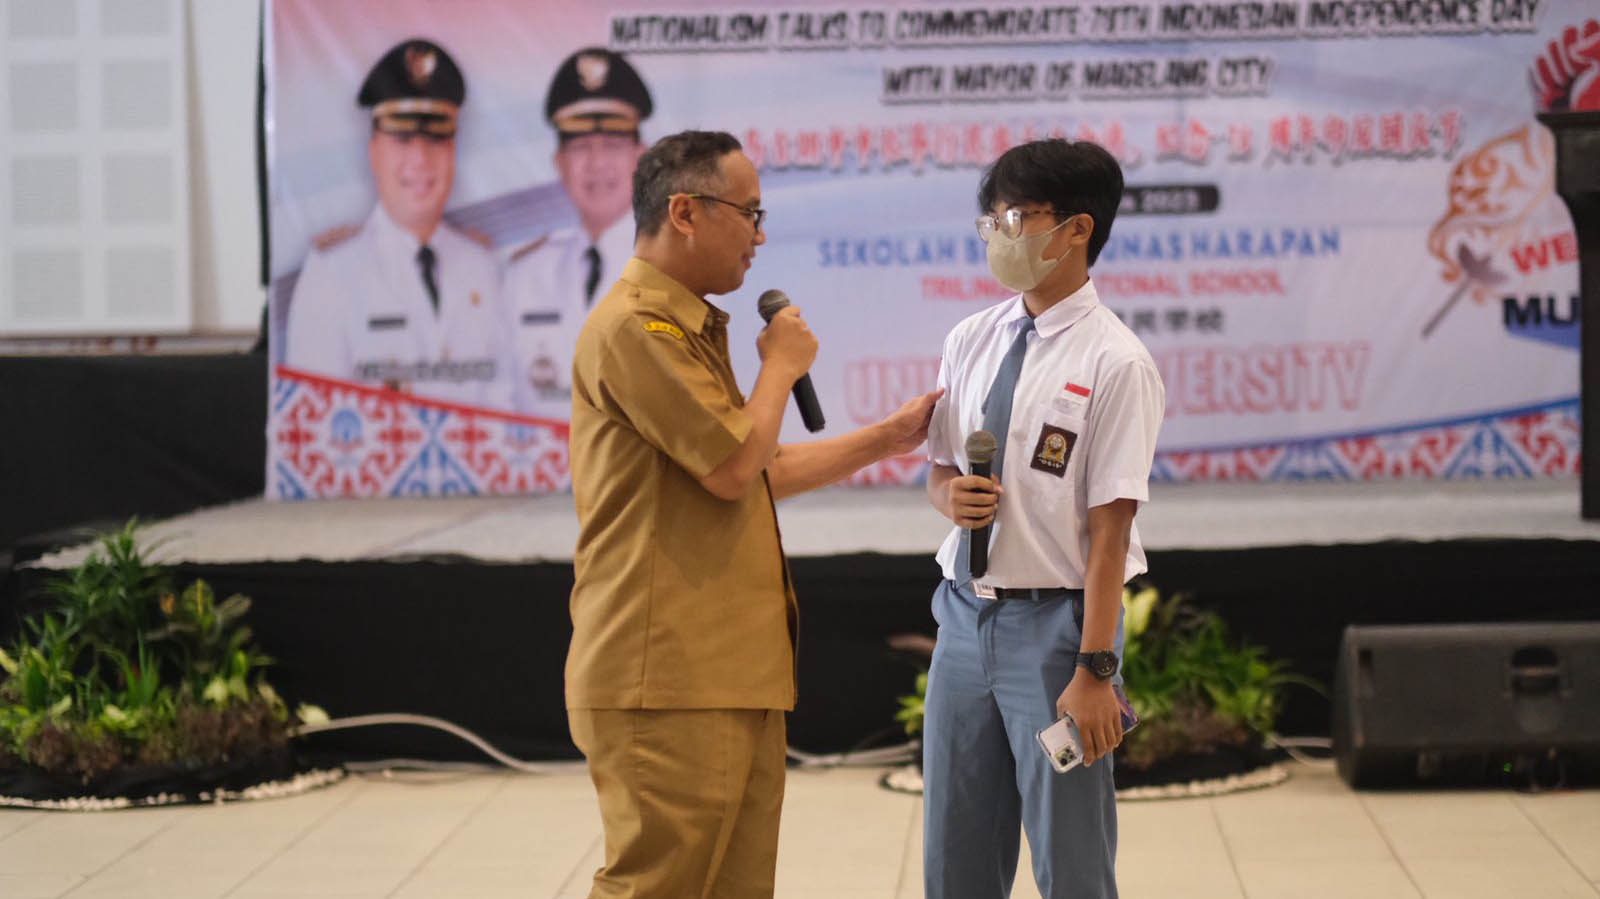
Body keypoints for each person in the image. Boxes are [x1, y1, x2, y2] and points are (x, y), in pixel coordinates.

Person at [564, 129, 941, 898]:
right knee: (658, 884)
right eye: (750, 213)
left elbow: (756, 465)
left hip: (729, 671)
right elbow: (736, 466)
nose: (760, 236)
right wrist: (778, 366)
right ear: (686, 212)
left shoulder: (691, 326)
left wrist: (887, 437)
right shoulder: (638, 327)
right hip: (664, 673)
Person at [920, 139, 1165, 899]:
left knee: (1070, 857)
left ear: (1077, 230)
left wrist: (1095, 669)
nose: (1000, 230)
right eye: (992, 215)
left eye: (1018, 214)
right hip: (964, 620)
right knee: (954, 849)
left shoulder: (1115, 361)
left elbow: (1109, 535)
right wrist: (948, 498)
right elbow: (938, 472)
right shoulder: (971, 338)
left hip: (1056, 631)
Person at [284, 39, 511, 410]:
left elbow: (508, 402)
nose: (420, 160)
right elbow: (314, 418)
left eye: (436, 140)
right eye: (402, 139)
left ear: (453, 152)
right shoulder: (332, 271)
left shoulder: (483, 265)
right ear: (374, 152)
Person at [504, 48, 652, 418]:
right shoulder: (524, 275)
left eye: (613, 145)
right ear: (559, 162)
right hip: (540, 472)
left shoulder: (678, 273)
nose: (597, 163)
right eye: (581, 146)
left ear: (641, 157)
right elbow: (500, 400)